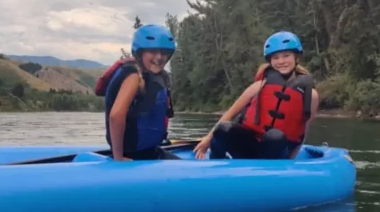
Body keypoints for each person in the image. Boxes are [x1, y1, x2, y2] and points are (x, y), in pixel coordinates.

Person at [193, 31, 319, 160]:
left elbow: (303, 133)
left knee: (275, 136)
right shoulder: (259, 85)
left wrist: (292, 160)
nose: (281, 61)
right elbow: (228, 115)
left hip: (276, 151)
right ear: (270, 61)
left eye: (286, 55)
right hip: (248, 147)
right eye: (275, 58)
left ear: (296, 58)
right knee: (223, 128)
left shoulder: (311, 95)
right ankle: (216, 164)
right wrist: (207, 140)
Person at [95, 23, 180, 161]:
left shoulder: (155, 76)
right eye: (152, 51)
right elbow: (116, 115)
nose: (159, 57)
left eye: (164, 52)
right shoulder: (133, 75)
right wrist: (118, 158)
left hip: (149, 152)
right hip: (132, 156)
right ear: (139, 52)